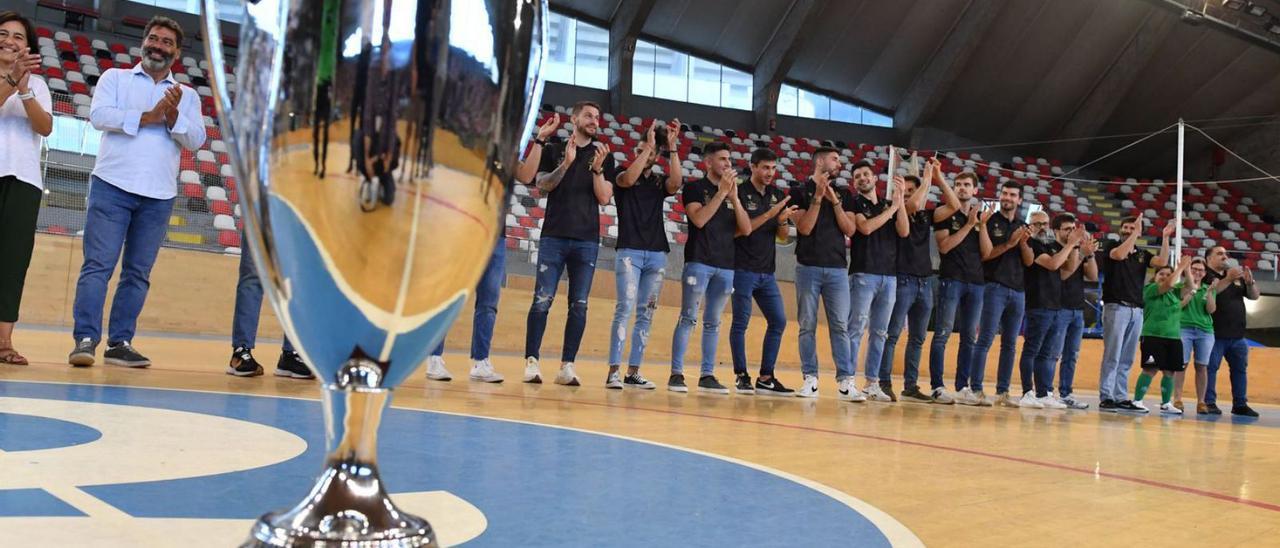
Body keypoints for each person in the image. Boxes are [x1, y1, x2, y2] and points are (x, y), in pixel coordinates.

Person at [67, 16, 207, 368]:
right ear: (144, 41)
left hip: (159, 195)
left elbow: (197, 139)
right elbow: (99, 116)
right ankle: (85, 339)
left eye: (167, 42)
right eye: (154, 38)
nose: (158, 46)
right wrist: (149, 115)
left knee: (137, 274)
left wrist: (173, 116)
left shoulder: (187, 96)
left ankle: (120, 342)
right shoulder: (115, 78)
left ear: (177, 52)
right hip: (112, 185)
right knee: (98, 266)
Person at [421, 115, 566, 384]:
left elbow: (526, 175)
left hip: (494, 235)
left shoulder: (504, 152)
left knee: (488, 301)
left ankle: (480, 362)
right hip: (462, 231)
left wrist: (540, 139)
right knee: (450, 297)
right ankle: (434, 358)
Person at [524, 101, 614, 386]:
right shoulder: (554, 149)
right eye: (588, 115)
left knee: (579, 304)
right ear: (574, 119)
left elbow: (604, 198)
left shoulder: (603, 154)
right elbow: (543, 185)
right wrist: (566, 163)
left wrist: (597, 170)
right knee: (542, 300)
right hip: (554, 236)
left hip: (586, 240)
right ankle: (532, 362)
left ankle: (567, 365)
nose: (594, 120)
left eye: (597, 117)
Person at [668, 141, 751, 394]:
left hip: (726, 265)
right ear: (708, 163)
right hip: (699, 261)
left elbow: (746, 229)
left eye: (729, 159)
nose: (728, 163)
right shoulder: (694, 188)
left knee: (714, 322)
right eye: (723, 159)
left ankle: (707, 375)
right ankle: (676, 373)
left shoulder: (732, 191)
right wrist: (721, 193)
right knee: (688, 317)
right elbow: (700, 220)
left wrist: (734, 198)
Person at [605, 118, 682, 390]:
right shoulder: (621, 172)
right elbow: (627, 180)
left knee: (646, 312)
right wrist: (648, 149)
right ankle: (613, 370)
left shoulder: (659, 181)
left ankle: (633, 371)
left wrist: (671, 148)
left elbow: (676, 183)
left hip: (657, 255)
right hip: (629, 252)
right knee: (624, 308)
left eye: (648, 152)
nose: (643, 154)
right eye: (638, 151)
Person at [879, 159, 961, 403]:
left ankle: (910, 385)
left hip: (925, 281)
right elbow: (912, 204)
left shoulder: (926, 215)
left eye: (914, 190)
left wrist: (938, 177)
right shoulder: (893, 209)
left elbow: (954, 205)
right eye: (906, 189)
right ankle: (883, 382)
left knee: (918, 337)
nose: (911, 194)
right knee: (892, 334)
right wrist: (925, 180)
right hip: (902, 279)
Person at [0, 11, 52, 366]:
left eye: (19, 37)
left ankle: (3, 343)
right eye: (3, 34)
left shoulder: (39, 85)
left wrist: (25, 88)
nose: (10, 41)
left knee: (12, 263)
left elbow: (45, 127)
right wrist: (10, 78)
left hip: (24, 181)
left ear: (29, 46)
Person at [791, 147, 860, 400]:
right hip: (807, 267)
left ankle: (846, 382)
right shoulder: (798, 191)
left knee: (840, 326)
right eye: (835, 159)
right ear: (820, 161)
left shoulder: (844, 193)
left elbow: (850, 230)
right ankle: (810, 379)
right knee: (806, 325)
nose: (839, 163)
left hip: (837, 269)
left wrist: (836, 202)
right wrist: (818, 198)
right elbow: (805, 228)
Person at [729, 148, 797, 396]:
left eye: (773, 168)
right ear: (753, 167)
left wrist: (781, 221)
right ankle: (741, 375)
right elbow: (740, 230)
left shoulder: (777, 195)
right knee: (740, 323)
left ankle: (766, 376)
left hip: (767, 272)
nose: (770, 173)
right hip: (742, 268)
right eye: (765, 167)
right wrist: (770, 213)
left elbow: (783, 236)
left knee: (778, 320)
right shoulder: (739, 192)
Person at [845, 163, 909, 402]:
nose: (862, 178)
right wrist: (892, 210)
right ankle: (848, 379)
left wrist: (899, 202)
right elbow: (865, 227)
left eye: (866, 174)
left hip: (889, 276)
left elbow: (903, 231)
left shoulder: (887, 204)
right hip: (863, 273)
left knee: (880, 332)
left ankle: (872, 382)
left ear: (874, 178)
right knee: (856, 327)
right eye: (857, 176)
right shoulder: (854, 202)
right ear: (854, 182)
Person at [1097, 215, 1171, 412]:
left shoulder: (1142, 253)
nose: (1129, 230)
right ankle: (1106, 395)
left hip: (1136, 309)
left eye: (1133, 228)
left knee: (1127, 357)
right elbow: (1120, 255)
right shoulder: (1111, 245)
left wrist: (1165, 238)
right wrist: (1135, 234)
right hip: (1116, 306)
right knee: (1112, 353)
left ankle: (1121, 396)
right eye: (1126, 227)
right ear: (1121, 229)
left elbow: (1162, 261)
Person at [930, 172, 988, 406]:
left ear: (975, 190)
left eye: (966, 185)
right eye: (958, 185)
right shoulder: (944, 213)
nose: (962, 188)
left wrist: (980, 227)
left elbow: (986, 252)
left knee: (969, 338)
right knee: (942, 333)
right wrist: (968, 226)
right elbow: (944, 247)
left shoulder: (980, 217)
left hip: (976, 282)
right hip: (951, 279)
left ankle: (963, 387)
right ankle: (937, 386)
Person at [973, 181, 1030, 408]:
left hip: (1018, 291)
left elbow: (1029, 261)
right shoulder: (989, 221)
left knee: (1010, 345)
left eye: (1012, 195)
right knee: (985, 339)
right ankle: (976, 389)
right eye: (1005, 193)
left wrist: (1023, 244)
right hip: (993, 287)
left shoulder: (1023, 225)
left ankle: (1003, 392)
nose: (1007, 197)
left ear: (1019, 200)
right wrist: (1010, 243)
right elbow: (985, 255)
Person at [1017, 211, 1081, 409]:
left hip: (1055, 306)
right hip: (1038, 304)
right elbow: (1053, 265)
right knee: (1032, 350)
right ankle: (1027, 391)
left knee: (1046, 353)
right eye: (1037, 224)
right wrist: (1070, 244)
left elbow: (1068, 269)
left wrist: (1075, 246)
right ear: (1030, 226)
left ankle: (1043, 392)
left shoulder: (1052, 246)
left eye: (1045, 223)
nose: (1042, 227)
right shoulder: (1032, 245)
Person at [225, 247, 313, 379]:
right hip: (258, 225)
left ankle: (291, 354)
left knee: (296, 278)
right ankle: (240, 351)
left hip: (294, 225)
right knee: (252, 275)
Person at [1202, 246, 1259, 417]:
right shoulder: (1205, 275)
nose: (1224, 257)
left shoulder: (1234, 276)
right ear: (1208, 258)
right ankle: (1209, 402)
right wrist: (1228, 279)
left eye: (1225, 254)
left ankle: (1240, 404)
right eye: (1219, 254)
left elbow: (1254, 296)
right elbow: (1209, 293)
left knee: (1240, 370)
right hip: (1215, 333)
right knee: (1211, 369)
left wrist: (1250, 283)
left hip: (1238, 335)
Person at [1132, 259, 1193, 414]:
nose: (1165, 277)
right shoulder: (1150, 289)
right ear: (1155, 276)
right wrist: (1178, 269)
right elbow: (1167, 285)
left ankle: (1166, 403)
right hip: (1153, 335)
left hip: (1173, 337)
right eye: (1161, 274)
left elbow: (1191, 287)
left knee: (1170, 372)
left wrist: (1187, 270)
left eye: (1168, 274)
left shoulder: (1175, 293)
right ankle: (1137, 400)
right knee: (1150, 369)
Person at [1052, 214, 1097, 410]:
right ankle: (1044, 391)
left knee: (1072, 354)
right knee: (1053, 353)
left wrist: (1090, 254)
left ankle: (1066, 392)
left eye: (1073, 229)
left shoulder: (1077, 251)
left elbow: (1093, 275)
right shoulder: (1054, 250)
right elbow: (1065, 273)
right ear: (1056, 231)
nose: (1071, 233)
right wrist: (1079, 252)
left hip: (1077, 308)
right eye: (1066, 229)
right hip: (1058, 307)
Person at [1176, 257, 1215, 413]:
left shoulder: (1208, 288)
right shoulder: (1180, 286)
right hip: (1183, 328)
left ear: (1205, 273)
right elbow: (1179, 306)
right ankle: (1177, 399)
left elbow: (1211, 310)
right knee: (1181, 365)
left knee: (1202, 366)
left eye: (1200, 270)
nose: (1197, 272)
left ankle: (1201, 401)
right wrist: (1192, 290)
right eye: (1194, 269)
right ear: (1189, 270)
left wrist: (1211, 293)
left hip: (1205, 331)